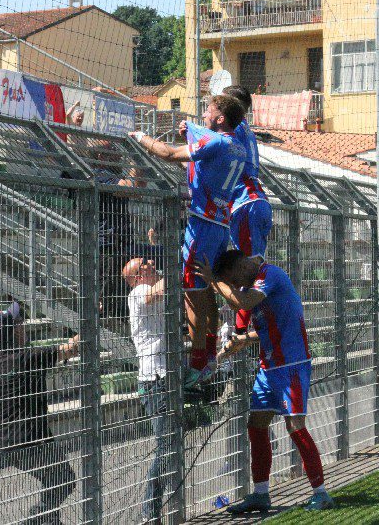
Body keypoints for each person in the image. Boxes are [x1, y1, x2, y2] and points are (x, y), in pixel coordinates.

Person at [198, 251, 335, 513]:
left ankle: (321, 492)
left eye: (233, 278)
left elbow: (245, 302)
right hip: (269, 367)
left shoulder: (270, 275)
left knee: (294, 426)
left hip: (291, 365)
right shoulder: (251, 283)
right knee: (256, 425)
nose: (236, 285)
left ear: (239, 267)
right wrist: (239, 342)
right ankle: (261, 494)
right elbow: (267, 325)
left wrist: (214, 281)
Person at [132, 95, 247, 388]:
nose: (205, 113)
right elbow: (205, 134)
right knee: (204, 292)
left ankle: (198, 364)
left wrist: (140, 137)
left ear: (221, 119)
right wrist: (191, 128)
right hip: (220, 225)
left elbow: (169, 154)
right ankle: (207, 355)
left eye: (209, 110)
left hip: (203, 228)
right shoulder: (237, 145)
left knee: (192, 296)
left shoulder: (217, 143)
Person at [0, 301, 80, 524]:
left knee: (57, 480)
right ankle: (34, 520)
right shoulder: (27, 358)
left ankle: (49, 521)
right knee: (64, 479)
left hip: (11, 440)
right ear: (13, 332)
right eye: (19, 323)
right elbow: (71, 348)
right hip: (30, 440)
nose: (24, 325)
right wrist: (94, 320)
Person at [220, 85, 274, 338]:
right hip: (254, 201)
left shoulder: (235, 129)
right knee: (254, 261)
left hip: (246, 203)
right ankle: (247, 322)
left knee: (249, 266)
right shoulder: (246, 131)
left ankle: (240, 327)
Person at [122, 257, 173, 524]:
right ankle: (149, 513)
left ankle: (161, 507)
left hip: (164, 375)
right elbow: (160, 290)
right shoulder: (139, 292)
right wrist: (180, 265)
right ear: (137, 276)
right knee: (166, 445)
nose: (152, 262)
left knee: (170, 444)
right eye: (144, 263)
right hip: (155, 379)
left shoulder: (152, 291)